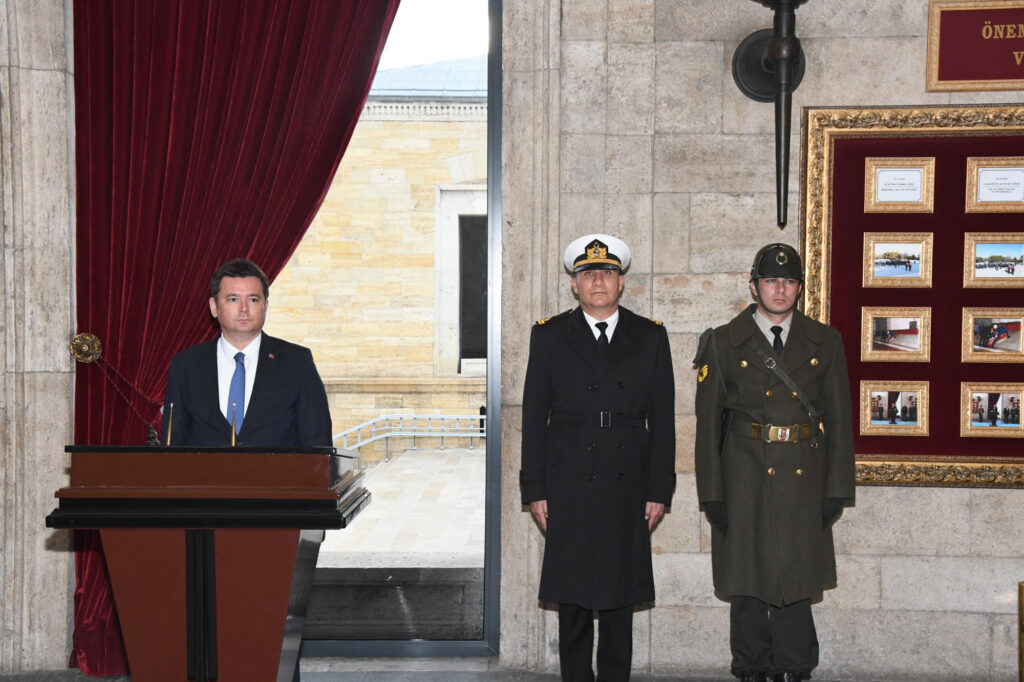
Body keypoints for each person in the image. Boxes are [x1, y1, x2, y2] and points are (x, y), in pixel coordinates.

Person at [693, 243, 855, 682]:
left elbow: (840, 418)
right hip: (743, 474)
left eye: (788, 281)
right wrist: (712, 494)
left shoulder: (825, 340)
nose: (779, 289)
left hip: (803, 475)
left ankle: (795, 663)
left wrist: (837, 488)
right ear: (753, 286)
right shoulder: (723, 341)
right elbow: (707, 425)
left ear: (799, 288)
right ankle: (750, 664)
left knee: (796, 575)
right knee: (746, 577)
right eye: (769, 280)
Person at [519, 234, 676, 682]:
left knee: (619, 598)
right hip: (567, 481)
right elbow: (533, 417)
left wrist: (659, 489)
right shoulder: (549, 335)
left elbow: (663, 421)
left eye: (607, 272)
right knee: (572, 598)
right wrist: (535, 489)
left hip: (628, 484)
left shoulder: (650, 336)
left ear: (621, 282)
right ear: (575, 285)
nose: (598, 281)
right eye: (588, 274)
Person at [162, 258, 332, 447]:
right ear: (214, 307)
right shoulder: (186, 366)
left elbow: (318, 446)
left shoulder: (297, 363)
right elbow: (171, 449)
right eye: (233, 299)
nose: (244, 309)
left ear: (265, 306)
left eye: (253, 299)